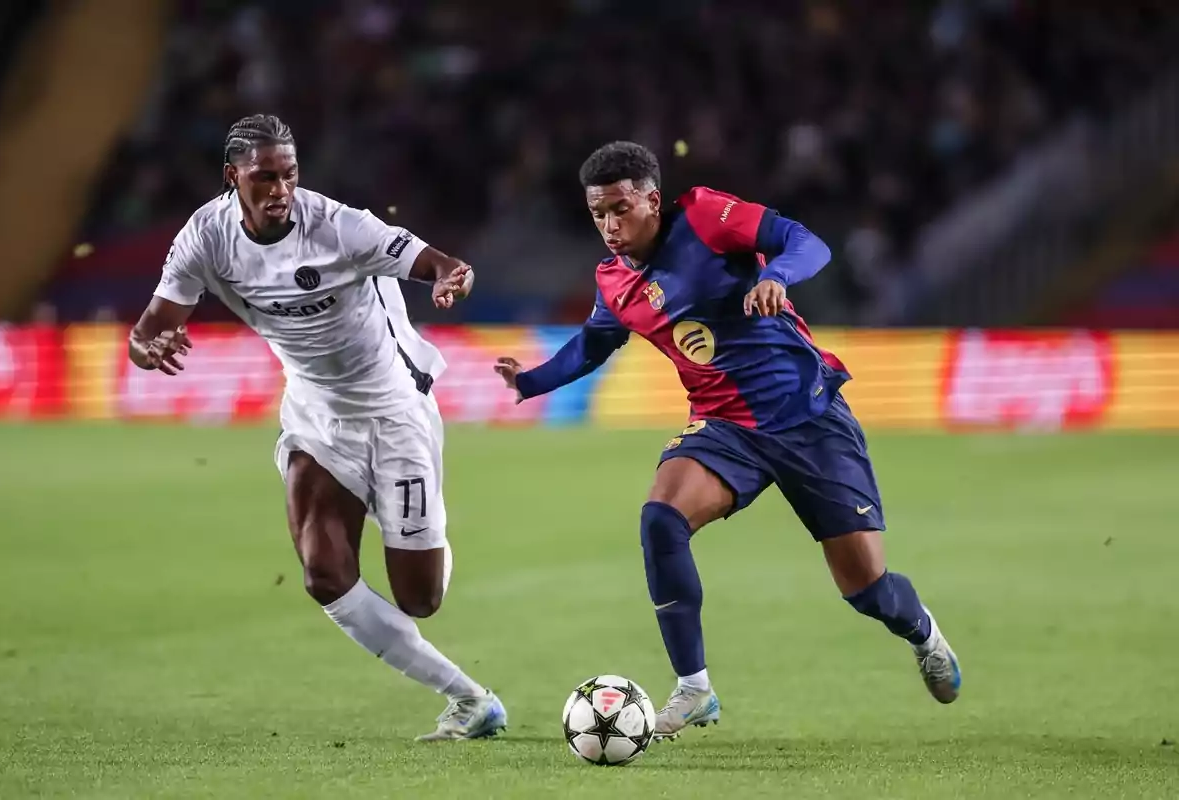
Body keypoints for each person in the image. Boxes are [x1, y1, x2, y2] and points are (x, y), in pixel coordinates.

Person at [494, 141, 960, 739]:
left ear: (651, 200)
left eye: (620, 209)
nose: (610, 226)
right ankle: (694, 689)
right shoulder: (613, 280)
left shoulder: (707, 217)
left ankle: (922, 631)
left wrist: (775, 276)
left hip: (807, 417)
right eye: (598, 215)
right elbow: (594, 343)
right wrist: (529, 382)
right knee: (660, 519)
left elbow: (806, 242)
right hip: (725, 427)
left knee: (866, 589)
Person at [128, 114, 506, 741]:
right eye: (264, 177)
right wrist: (150, 348)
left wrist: (450, 276)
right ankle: (467, 698)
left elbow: (436, 262)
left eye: (289, 175)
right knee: (323, 573)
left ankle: (417, 522)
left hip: (394, 411)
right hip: (316, 414)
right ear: (233, 178)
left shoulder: (339, 226)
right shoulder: (205, 235)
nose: (280, 189)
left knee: (420, 598)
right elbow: (148, 331)